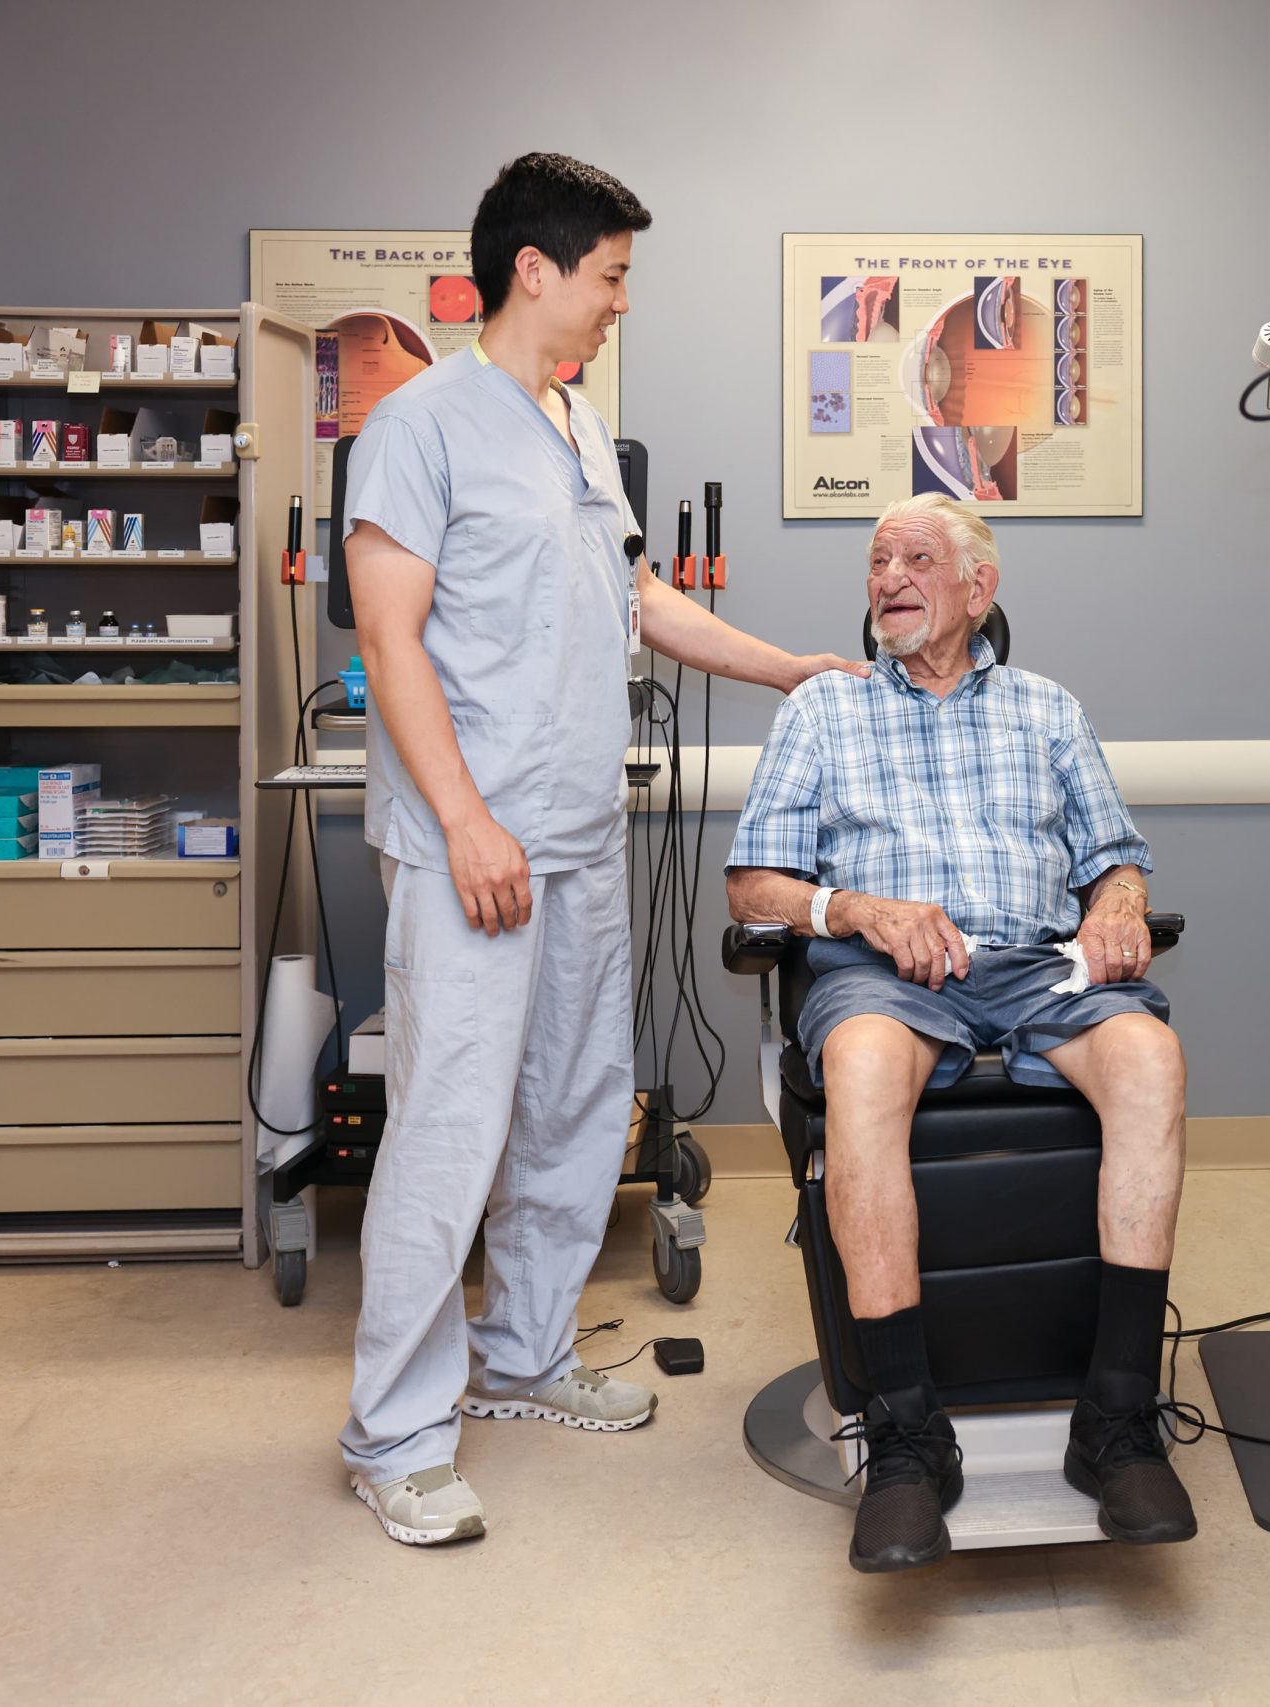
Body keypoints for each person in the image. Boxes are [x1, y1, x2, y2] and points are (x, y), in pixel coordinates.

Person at [339, 152, 863, 1547]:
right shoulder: (421, 426)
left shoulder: (571, 422)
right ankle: (393, 1432)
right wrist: (462, 818)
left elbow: (636, 595)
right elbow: (389, 637)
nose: (624, 298)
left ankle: (522, 1351)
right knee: (450, 1133)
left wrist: (786, 668)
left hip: (577, 834)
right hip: (476, 843)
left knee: (581, 1106)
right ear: (538, 270)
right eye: (614, 272)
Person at [725, 493, 1193, 1573]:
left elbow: (1113, 852)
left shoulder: (1047, 709)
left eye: (917, 558)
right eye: (877, 558)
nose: (888, 575)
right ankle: (904, 1437)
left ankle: (1115, 1418)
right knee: (860, 1066)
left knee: (1149, 1060)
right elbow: (755, 884)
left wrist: (1117, 904)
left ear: (978, 591)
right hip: (884, 969)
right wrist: (858, 912)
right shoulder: (823, 711)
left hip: (1035, 965)